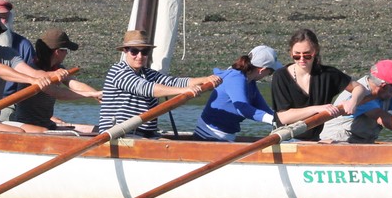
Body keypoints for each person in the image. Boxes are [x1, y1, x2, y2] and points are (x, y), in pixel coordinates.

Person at [193, 45, 344, 141]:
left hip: (226, 136)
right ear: (262, 70)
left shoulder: (249, 81)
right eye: (270, 73)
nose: (269, 76)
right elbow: (244, 109)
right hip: (210, 136)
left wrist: (287, 120)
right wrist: (274, 120)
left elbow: (265, 109)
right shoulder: (235, 77)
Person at [97, 29, 221, 138]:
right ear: (125, 51)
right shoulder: (118, 71)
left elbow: (174, 82)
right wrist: (183, 91)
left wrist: (204, 79)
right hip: (118, 135)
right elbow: (146, 88)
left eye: (144, 52)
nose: (140, 56)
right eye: (134, 51)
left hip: (145, 134)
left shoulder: (148, 73)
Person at [270, 28, 367, 141]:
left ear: (315, 51)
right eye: (297, 55)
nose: (302, 59)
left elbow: (359, 88)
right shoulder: (280, 76)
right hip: (286, 137)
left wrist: (353, 102)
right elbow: (284, 117)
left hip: (314, 139)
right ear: (291, 53)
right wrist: (318, 109)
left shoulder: (328, 74)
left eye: (307, 55)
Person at [9, 28, 101, 133]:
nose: (66, 54)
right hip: (27, 125)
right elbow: (58, 93)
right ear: (58, 51)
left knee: (98, 130)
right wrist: (90, 95)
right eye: (66, 50)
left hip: (46, 123)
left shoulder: (58, 68)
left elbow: (75, 84)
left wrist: (97, 95)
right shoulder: (33, 70)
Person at [0, 0, 36, 99]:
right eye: (0, 18)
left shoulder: (24, 46)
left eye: (6, 17)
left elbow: (32, 82)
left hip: (11, 101)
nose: (3, 21)